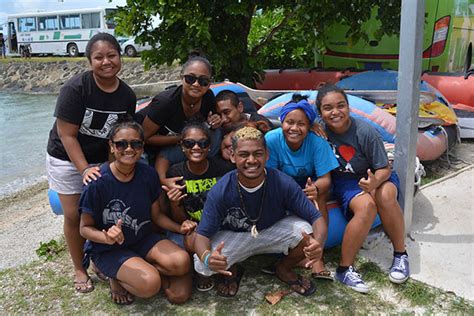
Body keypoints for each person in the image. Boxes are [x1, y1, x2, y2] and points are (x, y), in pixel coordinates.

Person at [45, 33, 136, 293]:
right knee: (74, 215)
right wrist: (84, 169)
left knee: (102, 212)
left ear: (120, 57)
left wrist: (113, 168)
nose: (106, 62)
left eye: (112, 55)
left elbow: (118, 137)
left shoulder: (127, 95)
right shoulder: (75, 89)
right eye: (99, 57)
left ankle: (100, 257)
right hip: (66, 156)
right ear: (90, 61)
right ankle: (78, 267)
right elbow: (67, 135)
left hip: (101, 157)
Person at [193, 126, 327, 297]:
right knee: (202, 266)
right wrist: (207, 257)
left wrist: (319, 244)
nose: (251, 160)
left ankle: (283, 269)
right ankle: (232, 268)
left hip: (270, 229)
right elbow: (202, 235)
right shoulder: (221, 190)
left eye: (258, 153)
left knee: (307, 231)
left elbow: (316, 217)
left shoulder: (282, 182)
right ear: (232, 156)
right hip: (235, 235)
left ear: (267, 155)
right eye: (243, 154)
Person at [79, 121, 193, 304]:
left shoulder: (148, 174)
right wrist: (106, 236)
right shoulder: (97, 182)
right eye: (121, 144)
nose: (129, 149)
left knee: (182, 262)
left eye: (136, 144)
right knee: (150, 285)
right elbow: (84, 229)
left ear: (142, 147)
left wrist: (181, 228)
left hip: (143, 238)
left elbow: (156, 216)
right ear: (111, 146)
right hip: (109, 248)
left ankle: (136, 269)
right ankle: (114, 276)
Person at [316, 84, 409, 293]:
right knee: (366, 206)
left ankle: (400, 254)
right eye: (328, 108)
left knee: (385, 196)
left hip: (376, 174)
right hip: (347, 181)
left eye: (341, 106)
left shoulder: (365, 132)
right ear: (320, 112)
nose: (335, 112)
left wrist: (374, 183)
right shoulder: (318, 128)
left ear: (348, 107)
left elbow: (384, 168)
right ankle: (344, 268)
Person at [265, 93, 339, 279]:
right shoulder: (272, 140)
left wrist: (315, 187)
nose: (294, 128)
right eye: (289, 122)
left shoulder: (317, 142)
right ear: (282, 121)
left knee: (319, 194)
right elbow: (269, 176)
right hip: (281, 185)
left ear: (310, 126)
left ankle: (317, 257)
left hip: (308, 185)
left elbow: (325, 179)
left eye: (301, 124)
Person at [162, 121, 234, 291]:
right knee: (190, 236)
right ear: (182, 146)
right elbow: (180, 219)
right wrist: (174, 204)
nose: (196, 147)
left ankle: (231, 268)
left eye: (203, 143)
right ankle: (201, 271)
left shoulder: (223, 169)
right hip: (194, 228)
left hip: (221, 224)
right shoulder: (175, 173)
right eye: (189, 143)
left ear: (209, 146)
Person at [141, 56, 222, 185]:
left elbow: (213, 121)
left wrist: (216, 120)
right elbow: (144, 137)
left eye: (203, 81)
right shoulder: (165, 102)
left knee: (215, 133)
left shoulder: (208, 97)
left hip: (184, 146)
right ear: (181, 77)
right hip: (149, 148)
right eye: (190, 79)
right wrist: (181, 139)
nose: (196, 84)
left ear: (209, 83)